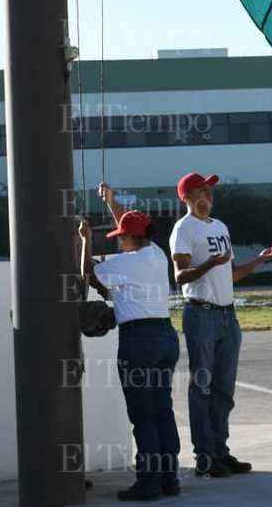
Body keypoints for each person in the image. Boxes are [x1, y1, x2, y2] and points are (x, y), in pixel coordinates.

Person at [167, 172, 272, 478]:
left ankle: (221, 450)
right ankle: (205, 456)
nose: (209, 194)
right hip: (201, 314)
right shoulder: (183, 228)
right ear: (187, 197)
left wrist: (259, 260)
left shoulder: (221, 227)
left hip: (227, 316)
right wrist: (209, 264)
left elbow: (229, 275)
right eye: (202, 190)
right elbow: (180, 276)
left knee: (224, 390)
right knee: (201, 388)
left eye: (211, 189)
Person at [79, 197, 180, 502]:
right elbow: (114, 279)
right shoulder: (157, 255)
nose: (118, 242)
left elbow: (88, 271)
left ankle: (148, 483)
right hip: (166, 336)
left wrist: (86, 240)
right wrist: (113, 205)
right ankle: (168, 479)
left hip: (139, 342)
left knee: (143, 415)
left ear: (130, 238)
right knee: (163, 411)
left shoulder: (126, 262)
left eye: (120, 237)